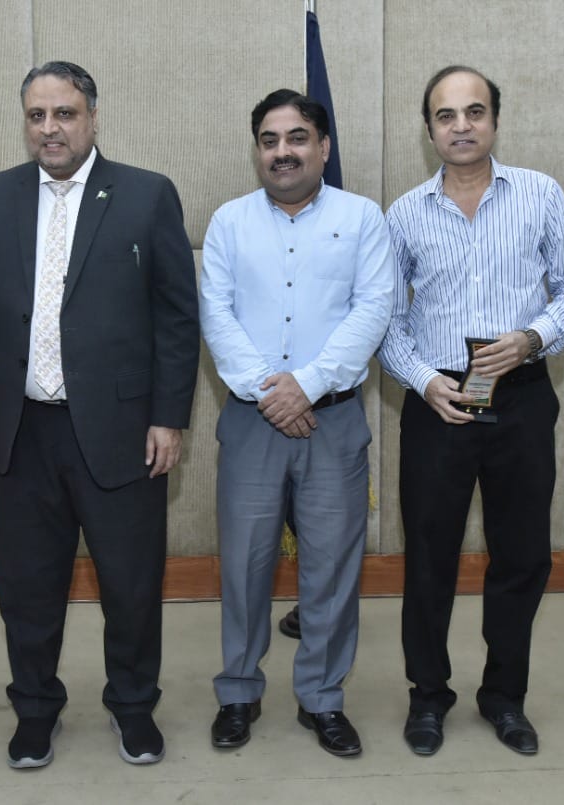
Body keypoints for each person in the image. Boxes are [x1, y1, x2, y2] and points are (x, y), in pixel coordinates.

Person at [0, 61, 200, 769]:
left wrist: (169, 417)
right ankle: (35, 711)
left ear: (92, 117)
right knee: (27, 588)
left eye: (64, 114)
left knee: (131, 586)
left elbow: (176, 316)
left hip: (122, 431)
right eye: (37, 115)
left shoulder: (146, 194)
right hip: (23, 432)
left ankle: (133, 707)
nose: (50, 128)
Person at [378, 66, 564, 758]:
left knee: (522, 556)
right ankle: (428, 695)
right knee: (429, 558)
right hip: (437, 402)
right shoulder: (404, 214)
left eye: (475, 111)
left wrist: (533, 337)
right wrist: (422, 381)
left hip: (521, 394)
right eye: (446, 115)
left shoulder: (540, 194)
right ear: (429, 130)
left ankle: (505, 696)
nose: (462, 126)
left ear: (495, 120)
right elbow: (387, 322)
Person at [200, 89, 393, 757]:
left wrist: (306, 386)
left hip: (333, 422)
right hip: (251, 421)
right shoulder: (229, 222)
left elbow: (373, 310)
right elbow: (216, 315)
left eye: (297, 137)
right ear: (257, 150)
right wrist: (271, 391)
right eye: (269, 139)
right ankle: (238, 691)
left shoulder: (363, 218)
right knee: (244, 566)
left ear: (324, 146)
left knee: (332, 570)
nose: (282, 151)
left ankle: (323, 698)